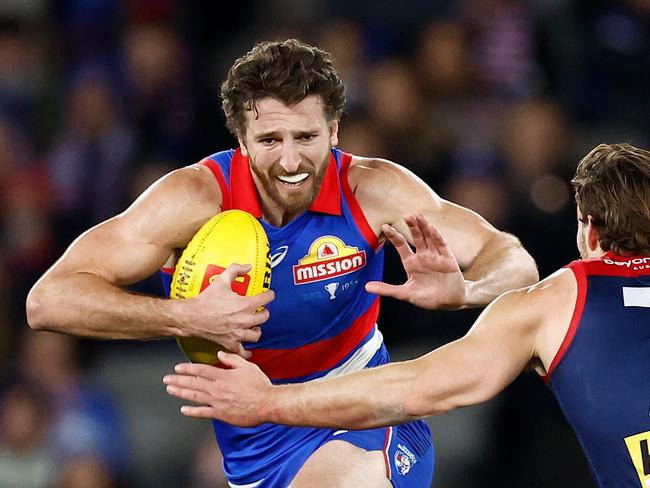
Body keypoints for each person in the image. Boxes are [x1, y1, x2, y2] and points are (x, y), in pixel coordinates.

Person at [26, 39, 538, 488]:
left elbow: (514, 260)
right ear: (242, 142)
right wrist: (183, 317)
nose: (291, 161)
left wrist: (468, 291)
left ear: (334, 131)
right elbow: (48, 301)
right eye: (270, 141)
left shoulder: (375, 189)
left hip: (360, 412)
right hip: (251, 438)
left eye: (306, 138)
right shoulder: (194, 200)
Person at [163, 143, 650, 488]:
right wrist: (469, 290)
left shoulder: (558, 301)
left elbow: (415, 389)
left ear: (588, 231)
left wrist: (269, 403)